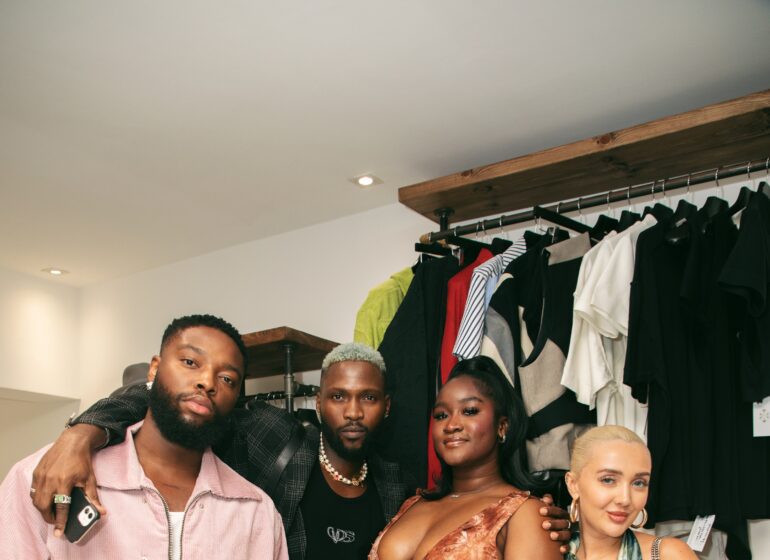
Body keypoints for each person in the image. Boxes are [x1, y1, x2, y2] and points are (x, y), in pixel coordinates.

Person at [30, 343, 571, 559]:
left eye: (368, 399)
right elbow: (180, 402)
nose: (353, 412)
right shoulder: (271, 439)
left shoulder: (399, 484)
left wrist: (549, 519)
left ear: (387, 407)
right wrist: (83, 432)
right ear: (318, 401)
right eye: (338, 397)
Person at [0, 314, 287, 559]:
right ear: (155, 368)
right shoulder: (44, 477)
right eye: (190, 362)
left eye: (227, 379)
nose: (207, 382)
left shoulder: (256, 511)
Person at [369, 356, 563, 559]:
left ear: (502, 426)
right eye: (441, 415)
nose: (451, 425)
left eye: (469, 411)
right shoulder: (413, 503)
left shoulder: (525, 513)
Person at [564, 425, 697, 560]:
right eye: (608, 480)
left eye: (638, 483)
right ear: (573, 485)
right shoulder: (556, 551)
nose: (625, 499)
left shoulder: (668, 554)